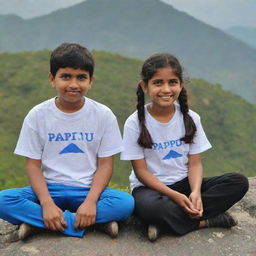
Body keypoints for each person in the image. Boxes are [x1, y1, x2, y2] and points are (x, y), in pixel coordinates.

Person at [0, 43, 134, 240]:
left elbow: (105, 165)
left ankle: (43, 223)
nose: (73, 84)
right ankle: (87, 222)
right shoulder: (38, 115)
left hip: (87, 190)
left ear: (91, 81)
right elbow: (33, 165)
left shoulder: (103, 115)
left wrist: (90, 202)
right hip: (49, 189)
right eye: (65, 76)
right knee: (3, 200)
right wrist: (46, 203)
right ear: (52, 79)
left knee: (125, 203)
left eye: (81, 77)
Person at [120, 53, 249, 242]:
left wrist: (195, 192)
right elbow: (141, 172)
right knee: (151, 208)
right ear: (145, 86)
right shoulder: (135, 122)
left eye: (172, 82)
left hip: (184, 184)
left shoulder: (191, 118)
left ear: (181, 85)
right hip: (151, 189)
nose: (166, 89)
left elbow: (195, 164)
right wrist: (174, 196)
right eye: (158, 83)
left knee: (238, 182)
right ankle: (205, 221)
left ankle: (167, 223)